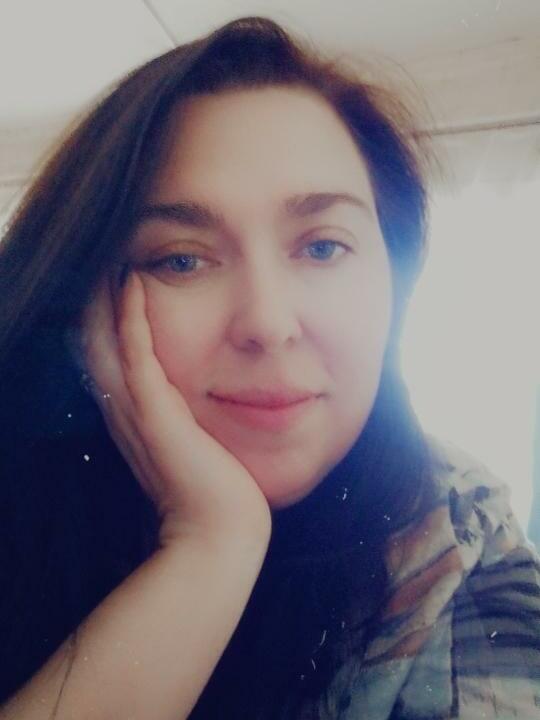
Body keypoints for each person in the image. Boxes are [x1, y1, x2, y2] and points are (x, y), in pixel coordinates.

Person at [0, 15, 538, 720]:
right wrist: (210, 547)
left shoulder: (459, 542)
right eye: (182, 260)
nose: (268, 323)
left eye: (322, 248)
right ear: (83, 308)